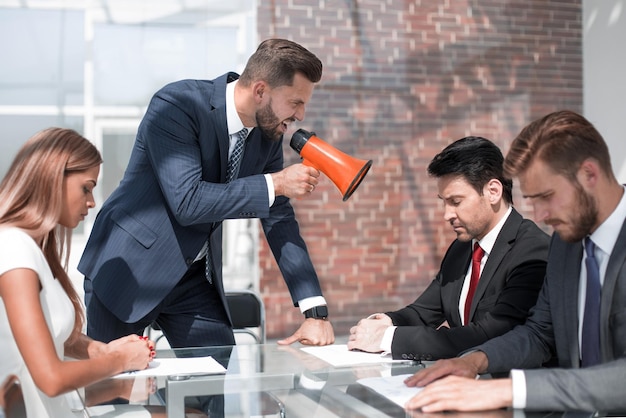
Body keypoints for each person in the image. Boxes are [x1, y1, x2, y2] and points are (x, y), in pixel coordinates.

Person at [78, 38, 334, 348]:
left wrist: (314, 311)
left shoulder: (267, 138)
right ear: (260, 91)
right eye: (296, 102)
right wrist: (276, 183)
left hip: (193, 278)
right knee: (115, 387)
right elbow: (187, 201)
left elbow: (278, 218)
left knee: (214, 382)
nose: (302, 115)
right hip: (129, 268)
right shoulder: (177, 105)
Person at [404, 110, 626, 413]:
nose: (540, 216)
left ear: (589, 174)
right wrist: (472, 361)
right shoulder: (565, 245)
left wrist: (510, 390)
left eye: (547, 196)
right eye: (533, 200)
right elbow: (538, 333)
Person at [347, 136, 549, 360]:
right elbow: (424, 311)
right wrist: (387, 321)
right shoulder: (461, 249)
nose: (447, 215)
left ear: (493, 191)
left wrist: (387, 339)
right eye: (443, 202)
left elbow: (490, 335)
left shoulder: (532, 252)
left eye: (456, 201)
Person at [0, 128, 154, 418]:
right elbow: (50, 378)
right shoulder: (13, 248)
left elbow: (54, 346)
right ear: (52, 177)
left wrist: (100, 352)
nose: (92, 202)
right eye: (86, 187)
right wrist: (120, 360)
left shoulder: (32, 250)